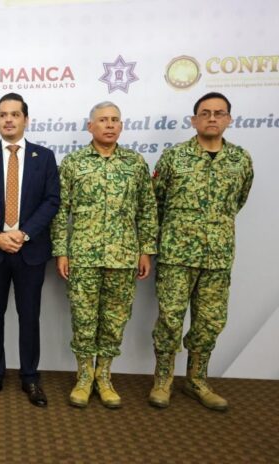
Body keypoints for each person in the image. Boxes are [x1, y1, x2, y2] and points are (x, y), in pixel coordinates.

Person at [148, 92, 253, 411]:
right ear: (194, 120)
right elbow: (156, 202)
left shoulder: (240, 160)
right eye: (205, 113)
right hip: (176, 255)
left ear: (229, 119)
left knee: (210, 321)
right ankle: (163, 379)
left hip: (217, 257)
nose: (212, 118)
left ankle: (197, 380)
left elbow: (238, 201)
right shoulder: (174, 157)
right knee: (170, 319)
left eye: (219, 113)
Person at [51, 102, 158, 408]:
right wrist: (60, 250)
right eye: (102, 120)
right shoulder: (73, 163)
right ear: (91, 126)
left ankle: (104, 376)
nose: (109, 125)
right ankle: (85, 377)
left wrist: (146, 250)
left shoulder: (135, 163)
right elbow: (60, 211)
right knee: (84, 319)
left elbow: (147, 209)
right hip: (83, 256)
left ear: (121, 126)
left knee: (114, 320)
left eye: (114, 120)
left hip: (123, 257)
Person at [0, 93, 60, 407]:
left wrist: (24, 233)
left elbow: (52, 201)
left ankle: (30, 377)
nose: (8, 119)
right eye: (3, 114)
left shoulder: (44, 157)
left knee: (29, 316)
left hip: (29, 251)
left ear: (25, 120)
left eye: (15, 114)